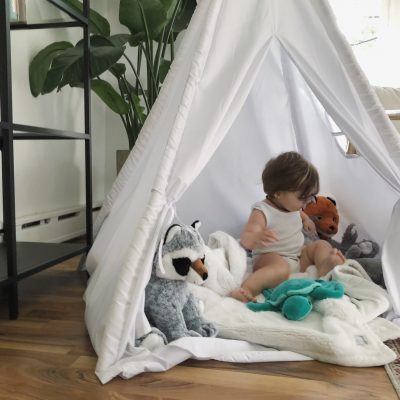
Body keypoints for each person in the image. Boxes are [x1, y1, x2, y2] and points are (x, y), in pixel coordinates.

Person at [231, 151, 345, 302]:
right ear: (278, 193)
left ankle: (325, 266)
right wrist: (256, 237)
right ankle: (247, 288)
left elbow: (297, 213)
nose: (307, 203)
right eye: (303, 198)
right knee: (280, 268)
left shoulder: (293, 207)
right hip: (270, 258)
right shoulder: (262, 211)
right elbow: (246, 237)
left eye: (310, 197)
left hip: (297, 256)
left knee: (321, 245)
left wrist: (306, 220)